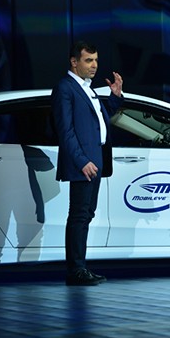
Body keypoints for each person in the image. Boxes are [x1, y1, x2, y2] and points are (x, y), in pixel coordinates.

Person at [52, 40, 124, 286]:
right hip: (83, 162)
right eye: (88, 60)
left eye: (96, 60)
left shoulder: (86, 88)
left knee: (86, 214)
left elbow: (97, 121)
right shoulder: (66, 88)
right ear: (74, 62)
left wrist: (114, 98)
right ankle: (76, 269)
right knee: (79, 215)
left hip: (95, 160)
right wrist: (82, 161)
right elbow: (66, 131)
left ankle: (80, 267)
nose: (94, 65)